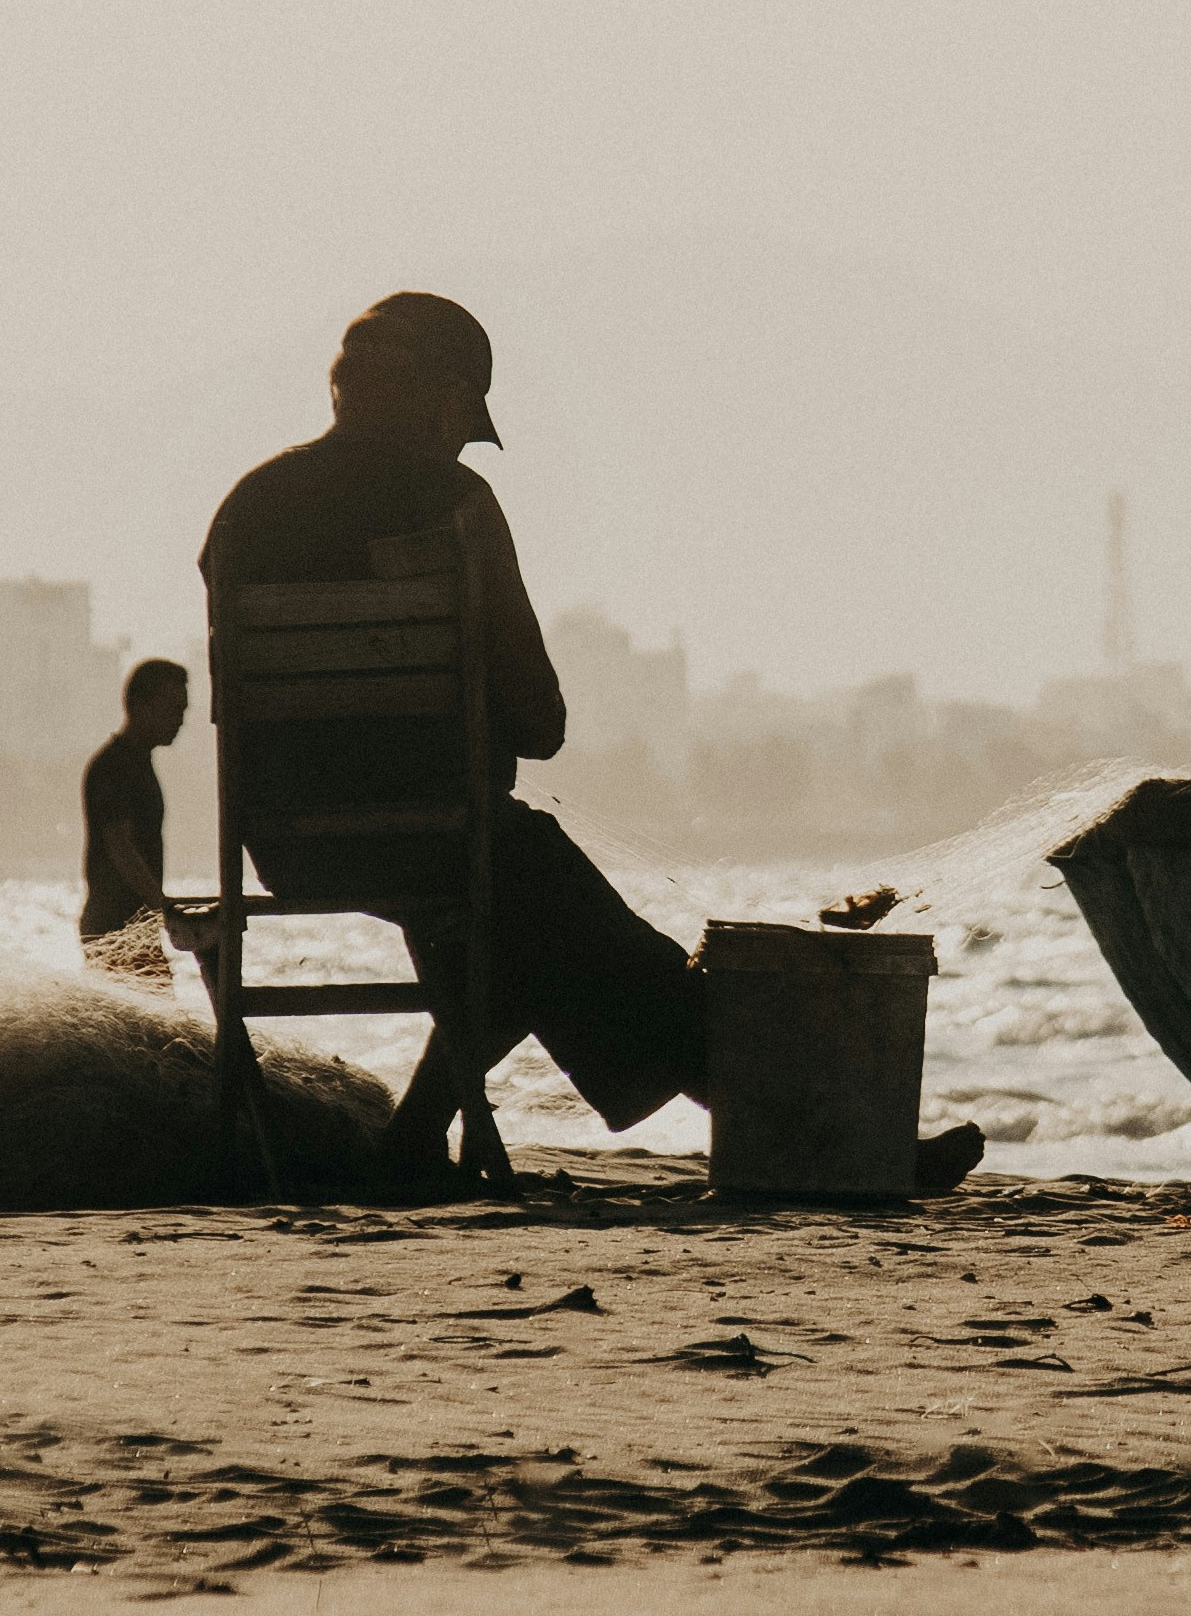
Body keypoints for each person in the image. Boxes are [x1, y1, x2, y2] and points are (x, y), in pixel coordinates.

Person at [201, 291, 982, 1195]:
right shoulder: (454, 503)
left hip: (287, 843)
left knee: (531, 917)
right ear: (446, 400)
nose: (461, 443)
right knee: (557, 910)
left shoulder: (244, 509)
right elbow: (543, 726)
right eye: (463, 421)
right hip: (450, 838)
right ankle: (815, 1126)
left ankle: (415, 1141)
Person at [79, 657, 192, 971]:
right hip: (115, 926)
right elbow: (121, 847)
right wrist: (163, 906)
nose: (180, 719)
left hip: (134, 925)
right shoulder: (114, 766)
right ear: (141, 705)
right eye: (173, 709)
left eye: (182, 710)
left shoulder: (137, 762)